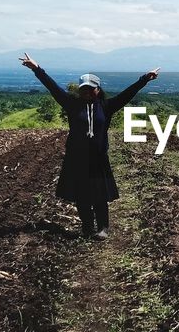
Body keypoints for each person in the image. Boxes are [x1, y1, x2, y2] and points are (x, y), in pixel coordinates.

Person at [20, 54, 158, 239]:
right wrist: (37, 69)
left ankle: (103, 228)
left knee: (99, 194)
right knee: (81, 194)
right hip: (76, 157)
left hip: (98, 157)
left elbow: (128, 94)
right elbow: (52, 87)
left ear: (98, 89)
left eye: (90, 88)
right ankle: (87, 227)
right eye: (83, 88)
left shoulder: (106, 106)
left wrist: (144, 79)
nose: (86, 92)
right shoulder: (72, 104)